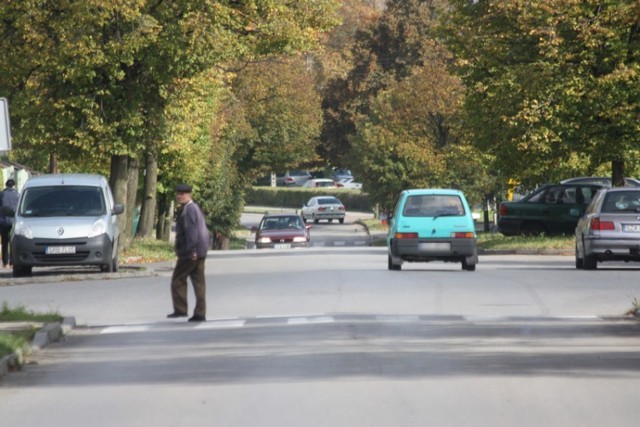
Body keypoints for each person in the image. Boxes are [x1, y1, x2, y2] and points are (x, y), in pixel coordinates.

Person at [167, 184, 210, 322]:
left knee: (177, 280)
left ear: (190, 195)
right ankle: (200, 313)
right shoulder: (193, 208)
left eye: (183, 194)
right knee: (199, 283)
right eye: (178, 193)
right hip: (200, 251)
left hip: (190, 252)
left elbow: (191, 231)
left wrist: (192, 250)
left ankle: (181, 310)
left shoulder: (189, 210)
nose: (180, 196)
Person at [0, 179, 19, 268]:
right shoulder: (18, 195)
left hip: (3, 221)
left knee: (4, 242)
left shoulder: (2, 194)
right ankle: (12, 262)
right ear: (14, 185)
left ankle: (5, 262)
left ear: (6, 185)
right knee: (13, 242)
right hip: (14, 222)